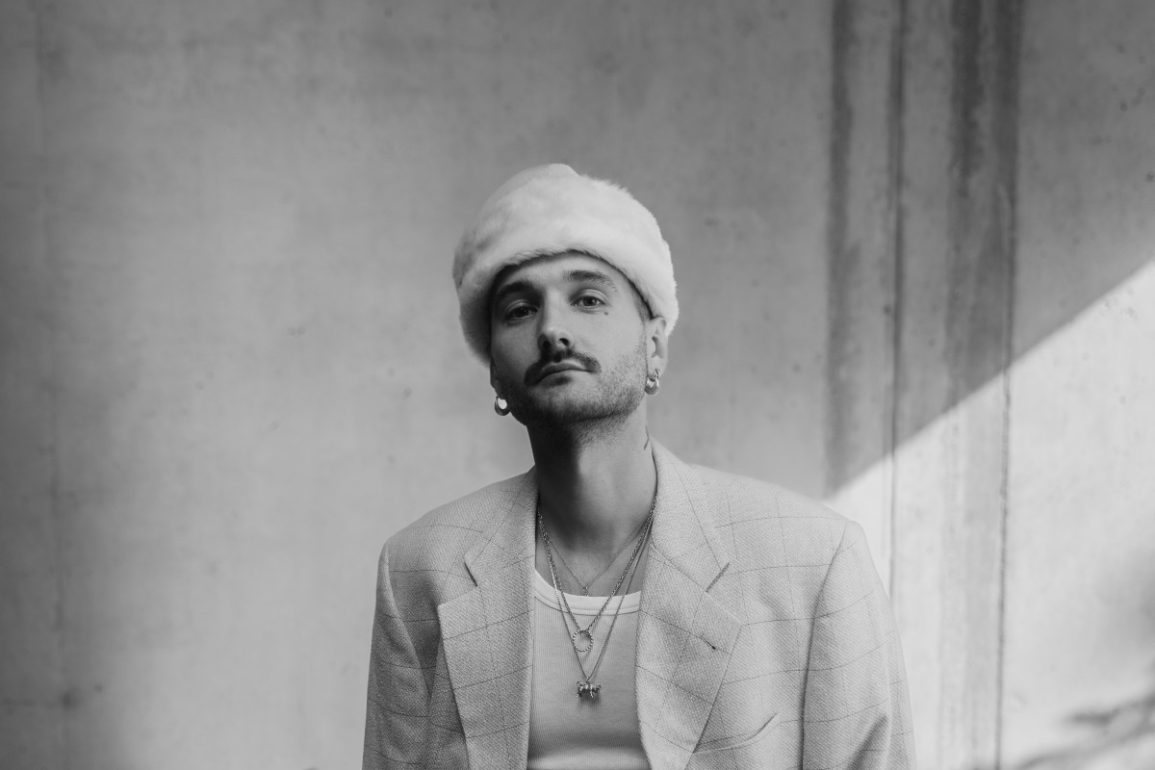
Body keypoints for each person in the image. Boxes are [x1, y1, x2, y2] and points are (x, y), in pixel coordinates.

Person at [363, 164, 915, 769]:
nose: (553, 329)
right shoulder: (422, 567)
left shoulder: (814, 559)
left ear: (654, 346)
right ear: (494, 370)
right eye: (519, 309)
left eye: (588, 299)